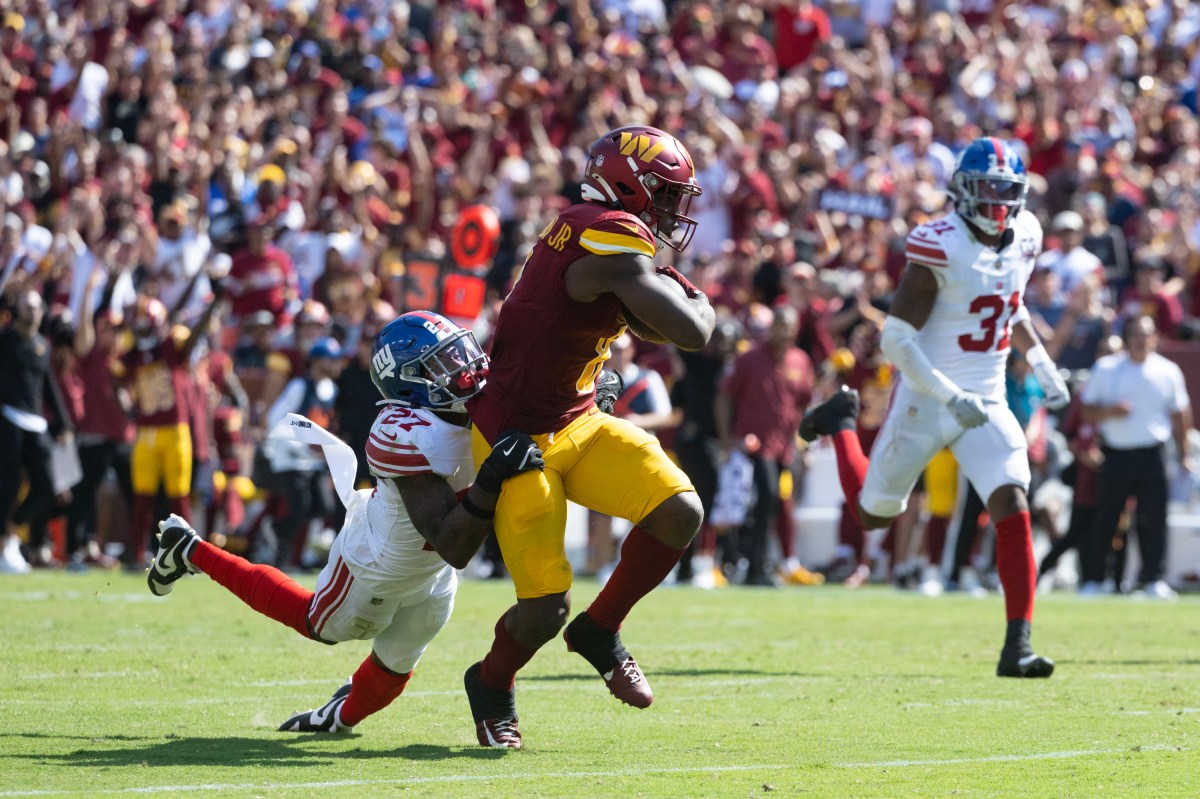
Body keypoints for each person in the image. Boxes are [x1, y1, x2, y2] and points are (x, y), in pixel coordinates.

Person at [146, 311, 544, 733]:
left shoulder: (482, 398)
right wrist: (493, 475)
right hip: (376, 564)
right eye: (444, 362)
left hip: (433, 572)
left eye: (462, 352)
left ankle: (333, 719)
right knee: (318, 623)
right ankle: (188, 548)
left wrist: (585, 400)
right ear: (410, 381)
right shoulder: (403, 431)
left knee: (393, 671)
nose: (468, 368)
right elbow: (456, 546)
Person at [463, 125, 716, 748]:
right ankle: (491, 683)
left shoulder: (593, 232)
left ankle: (599, 630)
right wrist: (698, 295)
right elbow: (691, 331)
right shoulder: (605, 229)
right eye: (662, 193)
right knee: (545, 606)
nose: (669, 210)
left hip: (575, 418)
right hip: (515, 437)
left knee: (679, 510)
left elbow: (646, 322)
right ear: (627, 185)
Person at [800, 138, 1071, 678]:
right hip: (927, 396)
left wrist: (1042, 367)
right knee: (873, 514)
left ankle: (1017, 644)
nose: (998, 202)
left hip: (988, 395)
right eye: (987, 189)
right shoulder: (938, 242)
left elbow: (1010, 309)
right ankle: (842, 425)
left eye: (1007, 191)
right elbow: (898, 340)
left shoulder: (1027, 236)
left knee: (1012, 500)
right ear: (962, 191)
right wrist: (950, 395)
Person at [1080, 316, 1193, 599]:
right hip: (1116, 454)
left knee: (1153, 519)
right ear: (1127, 338)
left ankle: (1153, 579)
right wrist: (1110, 412)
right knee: (1106, 518)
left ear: (1155, 338)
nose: (1141, 340)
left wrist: (1184, 455)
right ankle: (1094, 579)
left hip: (1153, 453)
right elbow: (1086, 411)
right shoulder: (1107, 369)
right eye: (1135, 334)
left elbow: (1180, 415)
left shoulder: (1168, 371)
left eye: (1146, 334)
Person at [715, 305, 815, 586]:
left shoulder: (800, 361)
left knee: (770, 504)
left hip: (784, 445)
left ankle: (752, 562)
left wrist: (804, 443)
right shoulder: (750, 358)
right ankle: (756, 566)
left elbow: (805, 403)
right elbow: (724, 395)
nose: (783, 331)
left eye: (788, 326)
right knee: (766, 498)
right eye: (779, 325)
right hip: (754, 445)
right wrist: (727, 438)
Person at [0, 289, 75, 573]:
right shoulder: (5, 340)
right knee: (7, 486)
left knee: (47, 484)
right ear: (16, 310)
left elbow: (49, 387)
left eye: (36, 307)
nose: (32, 312)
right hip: (7, 418)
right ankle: (5, 544)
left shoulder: (43, 346)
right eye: (26, 306)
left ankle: (10, 530)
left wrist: (64, 423)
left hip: (35, 422)